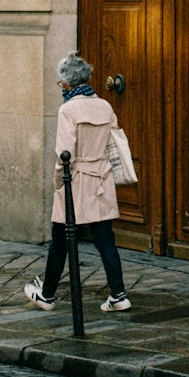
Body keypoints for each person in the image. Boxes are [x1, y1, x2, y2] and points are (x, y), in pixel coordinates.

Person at [24, 52, 131, 313]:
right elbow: (113, 141)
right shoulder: (105, 106)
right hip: (102, 179)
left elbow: (64, 154)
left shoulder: (68, 110)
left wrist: (58, 183)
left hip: (76, 180)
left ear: (67, 84)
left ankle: (47, 295)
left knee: (60, 238)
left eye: (61, 84)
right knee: (105, 239)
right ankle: (118, 294)